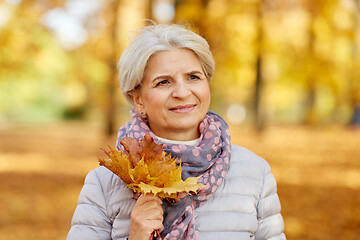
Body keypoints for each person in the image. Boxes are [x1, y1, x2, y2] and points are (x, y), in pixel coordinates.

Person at [67, 23, 286, 240]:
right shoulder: (105, 183)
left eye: (193, 77)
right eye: (163, 82)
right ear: (138, 99)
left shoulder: (254, 173)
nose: (182, 92)